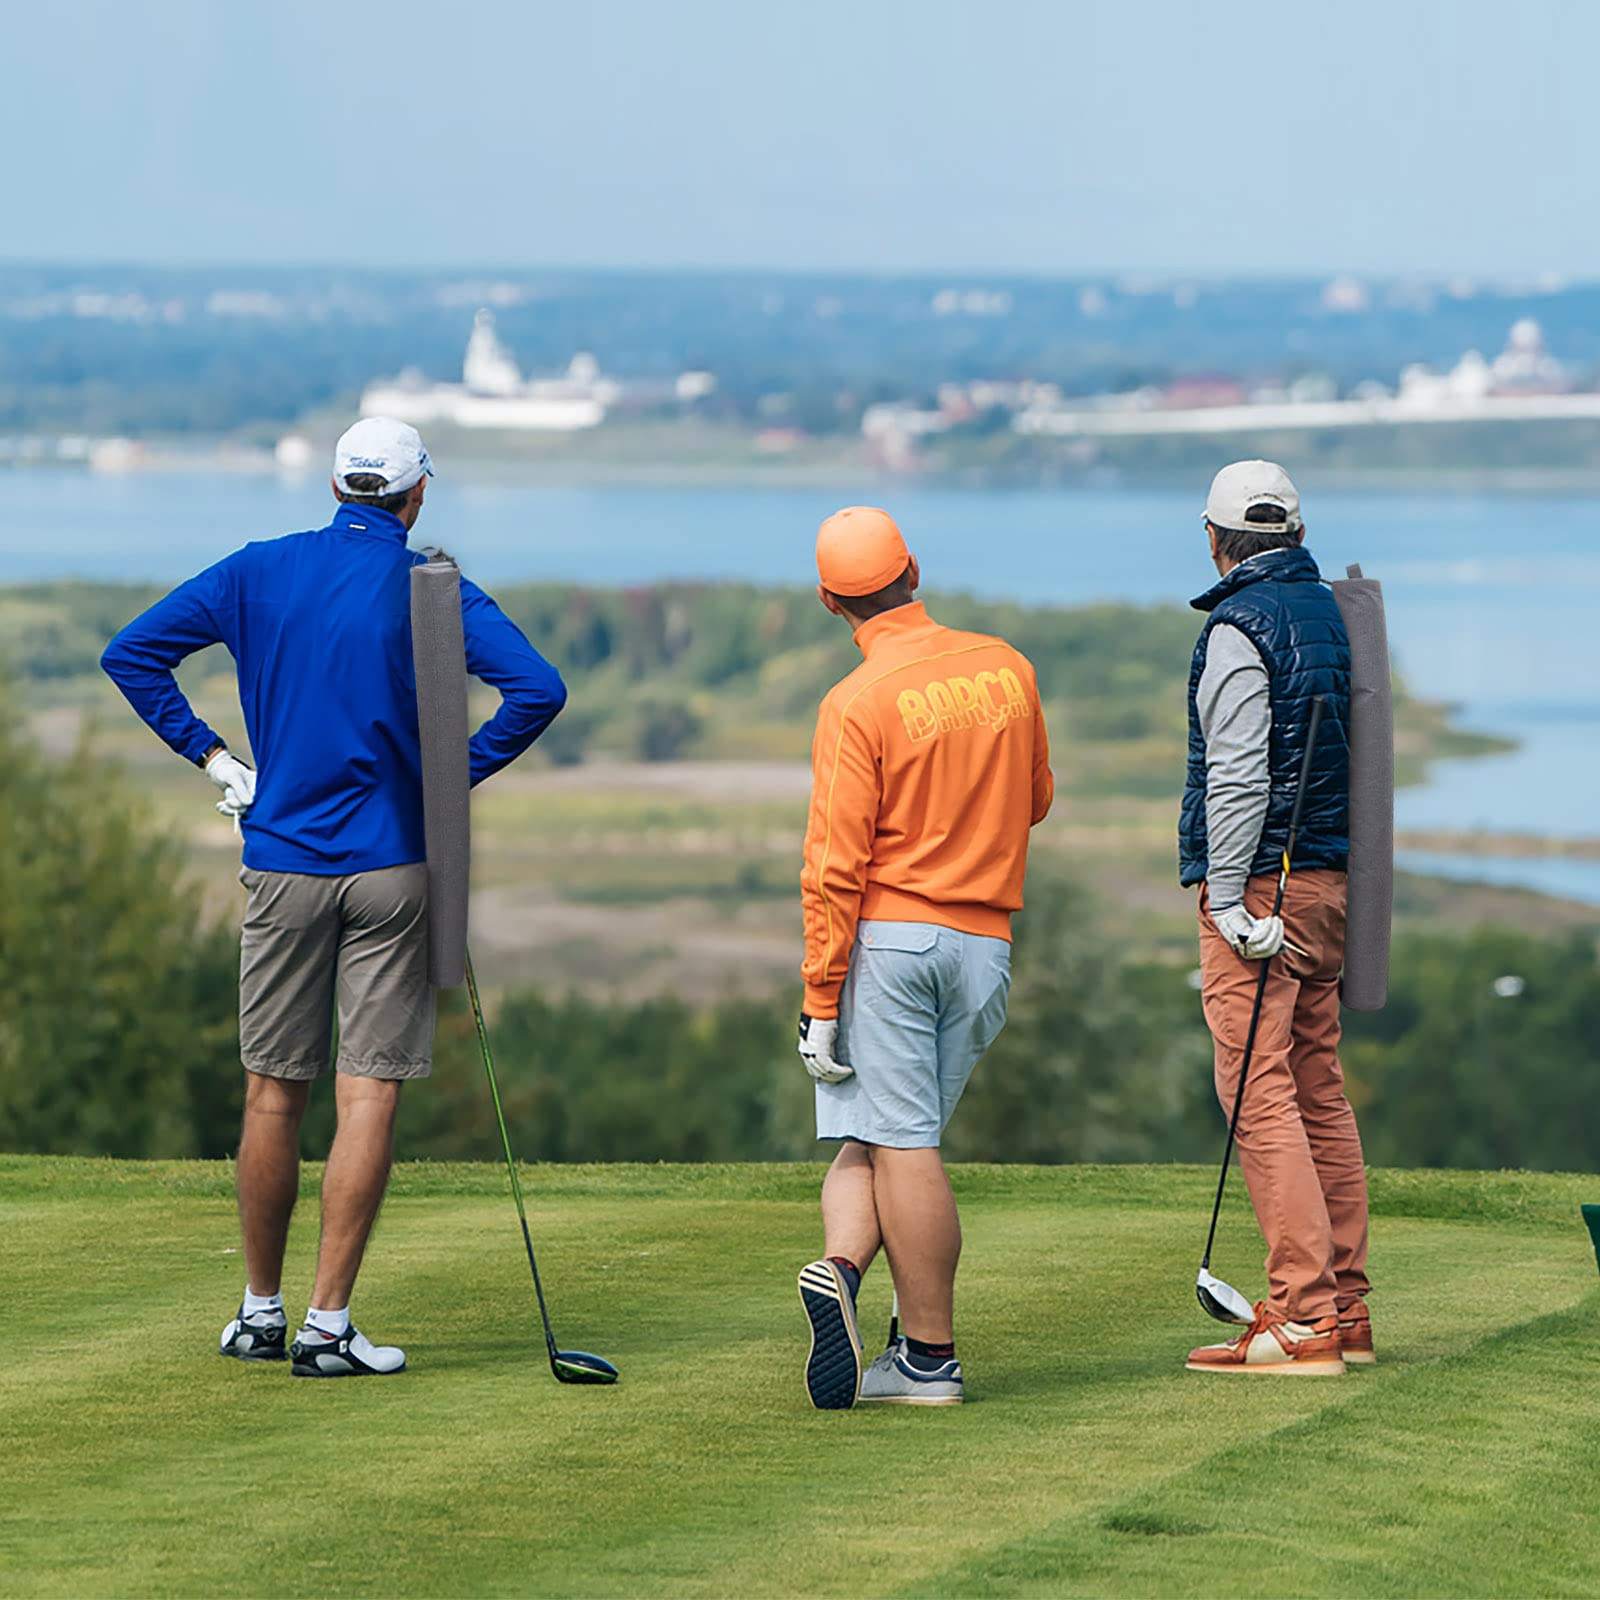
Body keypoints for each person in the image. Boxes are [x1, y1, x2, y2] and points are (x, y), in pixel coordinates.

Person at [100, 418, 567, 1378]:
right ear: (417, 493)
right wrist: (448, 782)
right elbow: (537, 689)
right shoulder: (432, 586)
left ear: (335, 486)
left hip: (281, 863)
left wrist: (215, 759)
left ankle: (259, 1314)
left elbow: (132, 653)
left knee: (273, 1092)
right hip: (394, 866)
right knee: (367, 1092)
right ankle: (327, 1327)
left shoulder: (258, 569)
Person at [793, 506, 1053, 1409]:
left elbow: (834, 867)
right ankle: (842, 1274)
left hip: (893, 943)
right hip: (985, 946)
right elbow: (1036, 799)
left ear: (829, 601)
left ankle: (929, 1361)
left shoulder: (854, 703)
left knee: (903, 1144)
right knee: (882, 1135)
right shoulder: (1008, 665)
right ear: (914, 570)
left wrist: (819, 998)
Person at [1180, 460, 1374, 1376]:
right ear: (1296, 536)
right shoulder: (1334, 614)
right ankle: (1345, 1309)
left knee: (1257, 1090)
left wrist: (1226, 900)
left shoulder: (1237, 625)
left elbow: (1239, 774)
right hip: (1329, 883)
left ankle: (1301, 1316)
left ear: (1214, 540)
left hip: (1261, 889)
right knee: (1316, 1083)